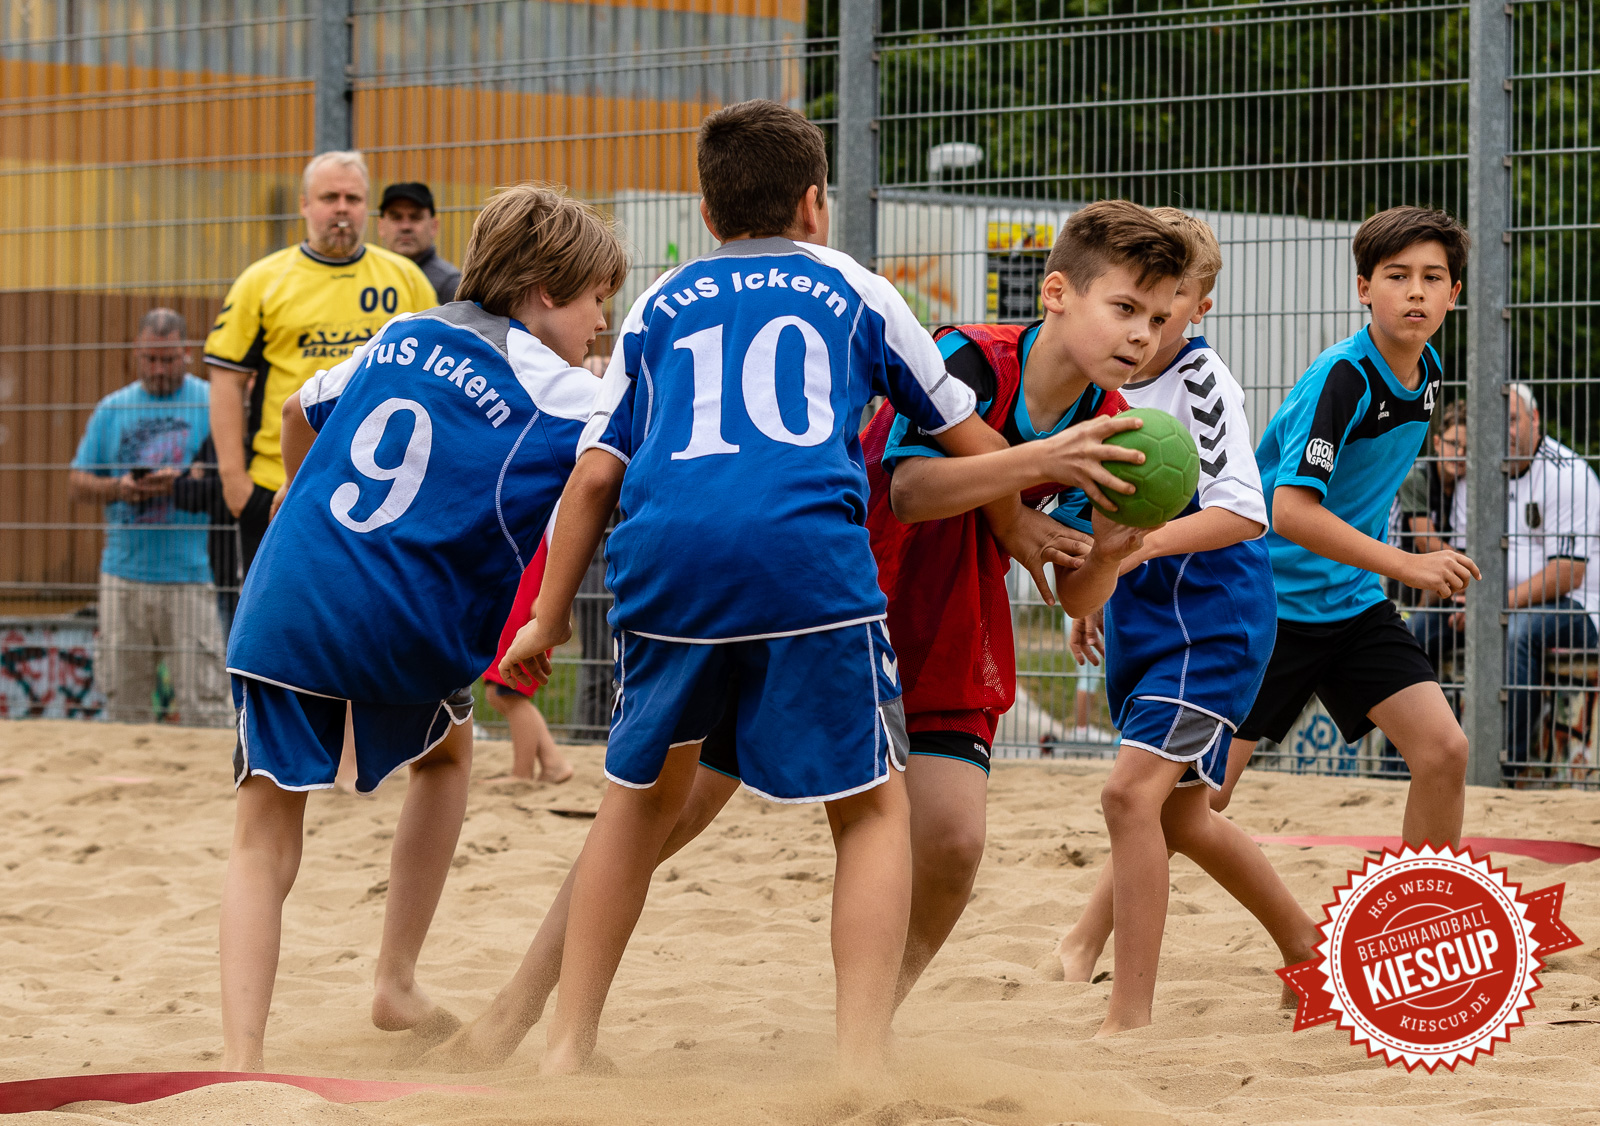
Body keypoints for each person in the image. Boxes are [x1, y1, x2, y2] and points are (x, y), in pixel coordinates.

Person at [489, 100, 1127, 1078]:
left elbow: (592, 476)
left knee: (633, 804)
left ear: (707, 216)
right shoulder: (860, 292)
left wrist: (540, 619)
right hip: (806, 565)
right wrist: (1028, 498)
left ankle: (565, 1044)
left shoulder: (661, 304)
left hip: (667, 565)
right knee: (870, 812)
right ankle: (861, 1059)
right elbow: (964, 443)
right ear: (816, 204)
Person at [216, 183, 627, 1071]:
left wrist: (300, 503)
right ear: (548, 291)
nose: (601, 322)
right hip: (408, 618)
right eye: (599, 298)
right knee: (445, 755)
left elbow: (294, 412)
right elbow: (606, 479)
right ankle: (395, 979)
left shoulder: (405, 333)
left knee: (262, 833)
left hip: (290, 597)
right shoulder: (563, 394)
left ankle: (241, 1058)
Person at [1048, 209, 1319, 1032]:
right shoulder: (1097, 389)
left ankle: (1128, 1019)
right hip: (1144, 625)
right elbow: (1090, 526)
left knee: (1129, 796)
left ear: (1195, 308)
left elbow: (1243, 512)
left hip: (1216, 621)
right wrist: (1091, 589)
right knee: (1183, 818)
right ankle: (1309, 953)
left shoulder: (1203, 382)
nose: (1144, 329)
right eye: (1131, 308)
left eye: (1164, 313)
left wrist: (1134, 553)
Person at [1227, 206, 1477, 844]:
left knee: (1444, 751)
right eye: (1396, 276)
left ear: (1455, 292)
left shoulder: (1429, 375)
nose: (1415, 291)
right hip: (1269, 607)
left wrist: (1390, 565)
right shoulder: (1342, 376)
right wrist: (1408, 562)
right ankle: (1083, 942)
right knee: (1193, 802)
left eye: (1432, 276)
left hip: (1352, 606)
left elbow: (1359, 497)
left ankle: (1423, 915)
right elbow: (1290, 510)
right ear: (1364, 289)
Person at [204, 150, 437, 576]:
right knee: (278, 627)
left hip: (379, 491)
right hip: (280, 485)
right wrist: (235, 483)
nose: (342, 209)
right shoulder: (262, 280)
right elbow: (225, 378)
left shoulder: (405, 278)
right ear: (305, 205)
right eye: (330, 197)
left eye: (353, 198)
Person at [69, 308, 230, 726]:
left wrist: (184, 484)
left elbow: (234, 480)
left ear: (187, 354)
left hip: (192, 575)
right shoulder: (112, 409)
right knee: (125, 705)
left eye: (169, 359)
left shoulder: (212, 403)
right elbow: (77, 482)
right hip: (124, 576)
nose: (159, 369)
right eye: (150, 359)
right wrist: (118, 488)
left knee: (206, 708)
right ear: (135, 355)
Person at [1449, 384, 1600, 782]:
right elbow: (1462, 554)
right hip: (1492, 600)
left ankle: (1507, 770)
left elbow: (1568, 572)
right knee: (1419, 629)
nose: (1506, 429)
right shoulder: (1475, 476)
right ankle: (1399, 770)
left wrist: (1490, 607)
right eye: (1498, 421)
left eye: (1513, 419)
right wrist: (1468, 601)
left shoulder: (1568, 474)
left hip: (1579, 605)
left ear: (1535, 420)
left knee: (1519, 631)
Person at [481, 538, 574, 783]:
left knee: (509, 691)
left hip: (526, 602)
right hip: (515, 598)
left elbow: (564, 544)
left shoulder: (550, 506)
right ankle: (553, 762)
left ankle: (522, 774)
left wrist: (548, 597)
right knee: (501, 691)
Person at [377, 182, 461, 304]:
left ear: (434, 226)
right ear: (381, 226)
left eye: (415, 217)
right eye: (396, 217)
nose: (405, 226)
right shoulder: (370, 277)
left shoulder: (451, 285)